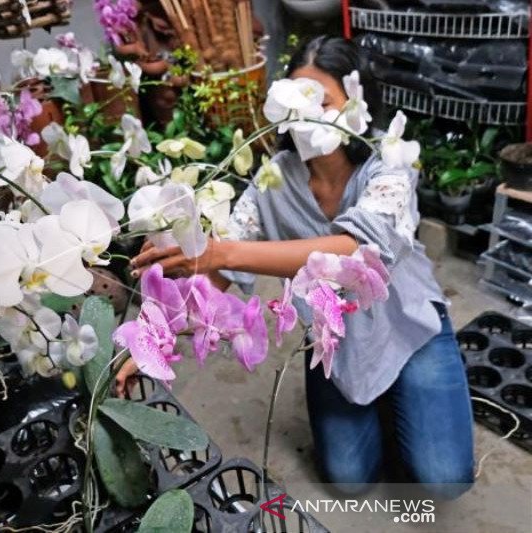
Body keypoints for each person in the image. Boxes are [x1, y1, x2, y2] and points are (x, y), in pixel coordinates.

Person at [116, 36, 474, 499]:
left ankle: (405, 392)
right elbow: (214, 273)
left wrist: (220, 252)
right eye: (294, 102)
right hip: (336, 337)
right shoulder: (274, 177)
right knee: (348, 481)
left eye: (322, 102)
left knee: (445, 481)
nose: (306, 115)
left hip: (406, 325)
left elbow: (353, 251)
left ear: (357, 102)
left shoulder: (389, 159)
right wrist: (148, 342)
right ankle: (387, 406)